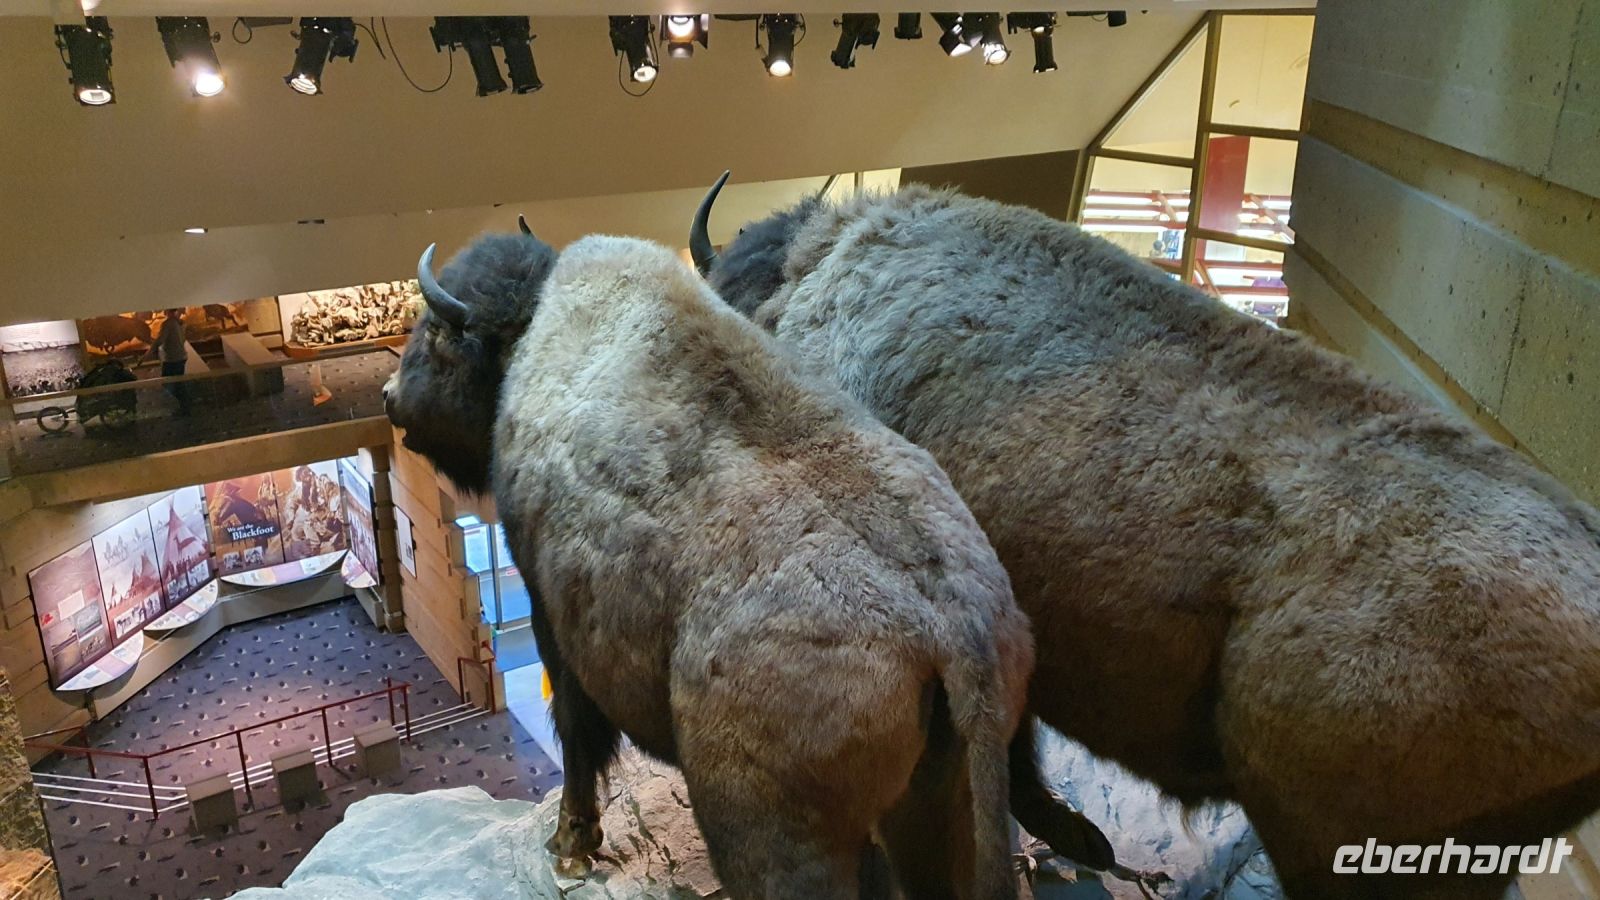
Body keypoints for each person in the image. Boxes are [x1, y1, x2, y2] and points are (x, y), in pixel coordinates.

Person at [140, 308, 191, 415]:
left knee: (170, 383)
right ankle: (185, 406)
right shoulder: (180, 322)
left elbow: (160, 340)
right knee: (178, 382)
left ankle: (183, 406)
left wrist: (147, 354)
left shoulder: (168, 324)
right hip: (180, 356)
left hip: (172, 358)